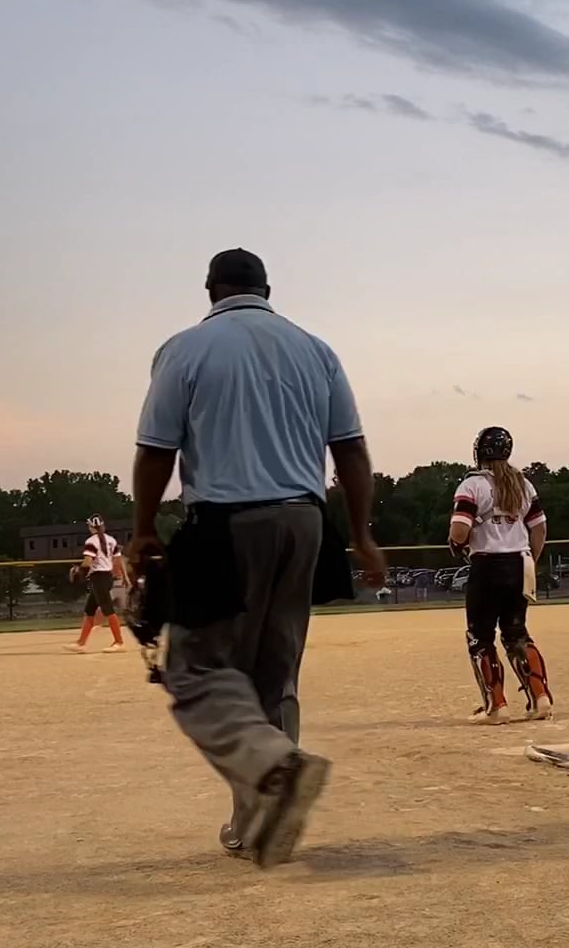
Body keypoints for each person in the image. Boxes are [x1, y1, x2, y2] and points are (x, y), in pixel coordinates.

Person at [127, 248, 385, 871]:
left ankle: (274, 770)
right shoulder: (315, 350)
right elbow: (350, 450)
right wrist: (360, 533)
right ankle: (259, 822)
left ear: (210, 289)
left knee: (196, 670)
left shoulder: (185, 349)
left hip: (226, 522)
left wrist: (142, 529)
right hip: (305, 522)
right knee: (275, 674)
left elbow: (157, 449)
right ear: (267, 289)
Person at [449, 426, 553, 725]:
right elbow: (539, 529)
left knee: (480, 637)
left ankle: (497, 706)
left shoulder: (472, 485)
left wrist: (456, 543)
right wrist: (531, 559)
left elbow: (459, 531)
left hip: (487, 565)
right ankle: (541, 698)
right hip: (520, 563)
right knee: (517, 632)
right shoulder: (524, 485)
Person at [64, 515, 127, 654]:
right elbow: (117, 560)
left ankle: (119, 642)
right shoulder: (111, 539)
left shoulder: (91, 541)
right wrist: (123, 576)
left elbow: (88, 561)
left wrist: (78, 570)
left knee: (108, 610)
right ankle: (81, 644)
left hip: (99, 577)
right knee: (90, 610)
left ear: (91, 527)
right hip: (107, 577)